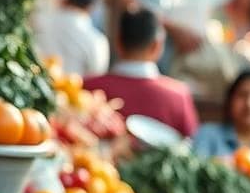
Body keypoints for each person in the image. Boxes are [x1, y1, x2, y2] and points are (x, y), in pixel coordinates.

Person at [84, 8, 199, 138]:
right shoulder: (178, 95)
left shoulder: (87, 87)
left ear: (118, 42)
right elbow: (190, 143)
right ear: (157, 46)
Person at [32, 0, 110, 77]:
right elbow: (97, 77)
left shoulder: (41, 22)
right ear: (91, 7)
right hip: (74, 86)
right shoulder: (96, 40)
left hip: (35, 82)